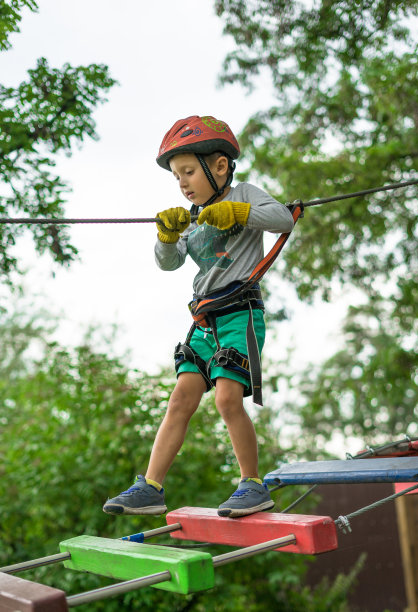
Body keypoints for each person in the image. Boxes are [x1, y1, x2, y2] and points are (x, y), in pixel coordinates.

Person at [103, 115, 294, 518]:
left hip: (239, 313)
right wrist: (166, 236)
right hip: (204, 321)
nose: (183, 183)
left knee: (227, 398)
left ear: (219, 166)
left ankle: (252, 484)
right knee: (181, 399)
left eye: (189, 172)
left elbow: (281, 218)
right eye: (177, 177)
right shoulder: (192, 216)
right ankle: (151, 487)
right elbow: (169, 263)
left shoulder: (243, 194)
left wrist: (240, 213)